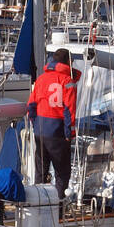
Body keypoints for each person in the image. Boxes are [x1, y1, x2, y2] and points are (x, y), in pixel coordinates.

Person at [26, 48, 79, 210]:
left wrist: (36, 124)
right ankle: (58, 208)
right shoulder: (67, 81)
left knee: (40, 172)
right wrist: (69, 133)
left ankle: (39, 205)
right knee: (62, 173)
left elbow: (31, 106)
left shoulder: (41, 79)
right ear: (68, 62)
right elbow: (69, 110)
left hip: (41, 131)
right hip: (57, 132)